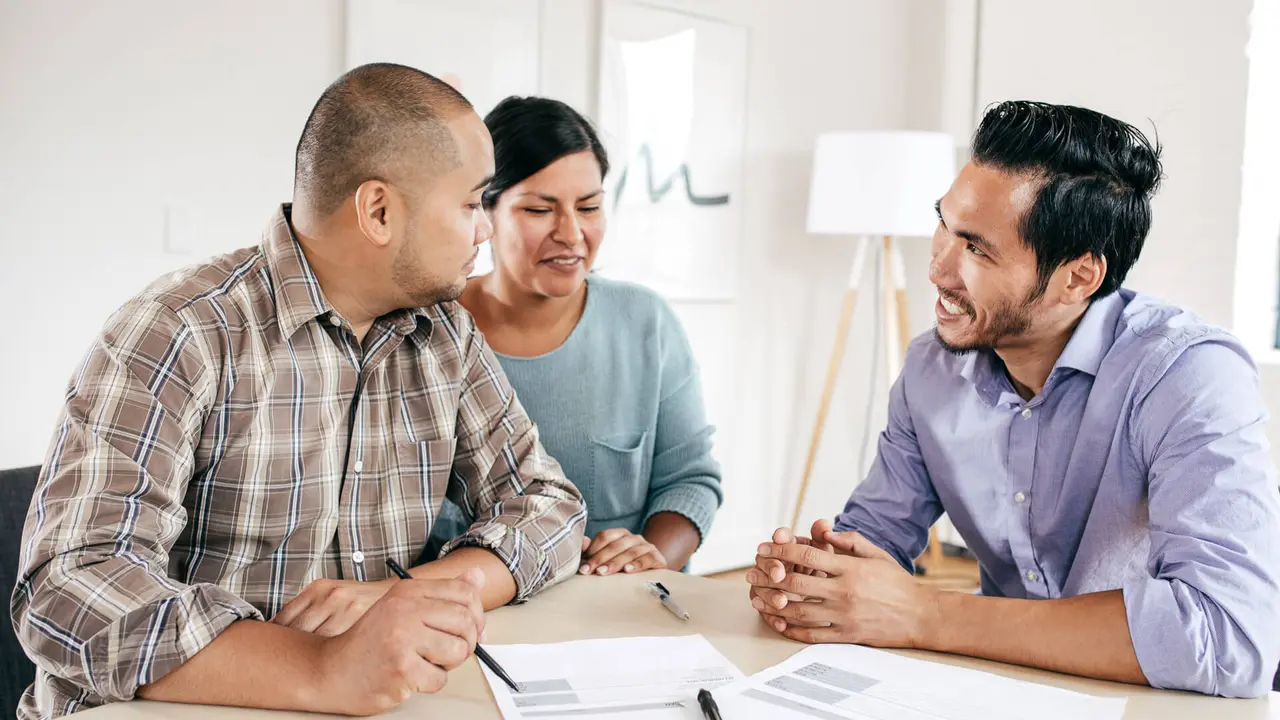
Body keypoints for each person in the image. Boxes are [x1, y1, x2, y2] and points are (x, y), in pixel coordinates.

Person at [10, 64, 586, 720]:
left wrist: (401, 598)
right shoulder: (179, 331)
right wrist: (322, 666)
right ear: (378, 211)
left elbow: (549, 504)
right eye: (470, 203)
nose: (485, 229)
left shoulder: (445, 332)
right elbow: (69, 590)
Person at [748, 100, 1280, 698]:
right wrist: (812, 578)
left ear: (1077, 277)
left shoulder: (1188, 375)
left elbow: (1229, 638)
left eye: (977, 249)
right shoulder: (931, 369)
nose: (938, 267)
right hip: (998, 691)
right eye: (944, 224)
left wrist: (927, 615)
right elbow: (872, 542)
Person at [427, 96, 723, 576]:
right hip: (470, 603)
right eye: (539, 210)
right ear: (484, 211)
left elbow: (690, 480)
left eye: (589, 207)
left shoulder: (645, 323)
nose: (571, 233)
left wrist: (647, 559)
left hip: (623, 601)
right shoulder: (429, 330)